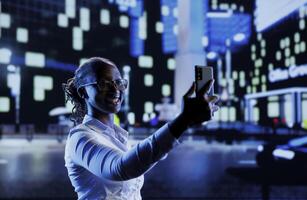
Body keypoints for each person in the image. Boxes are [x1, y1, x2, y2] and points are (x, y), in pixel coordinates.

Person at [63, 57, 219, 200]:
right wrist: (184, 120)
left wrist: (186, 121)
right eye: (104, 83)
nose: (115, 89)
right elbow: (121, 167)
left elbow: (141, 159)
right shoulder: (80, 138)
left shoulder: (119, 137)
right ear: (83, 92)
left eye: (119, 82)